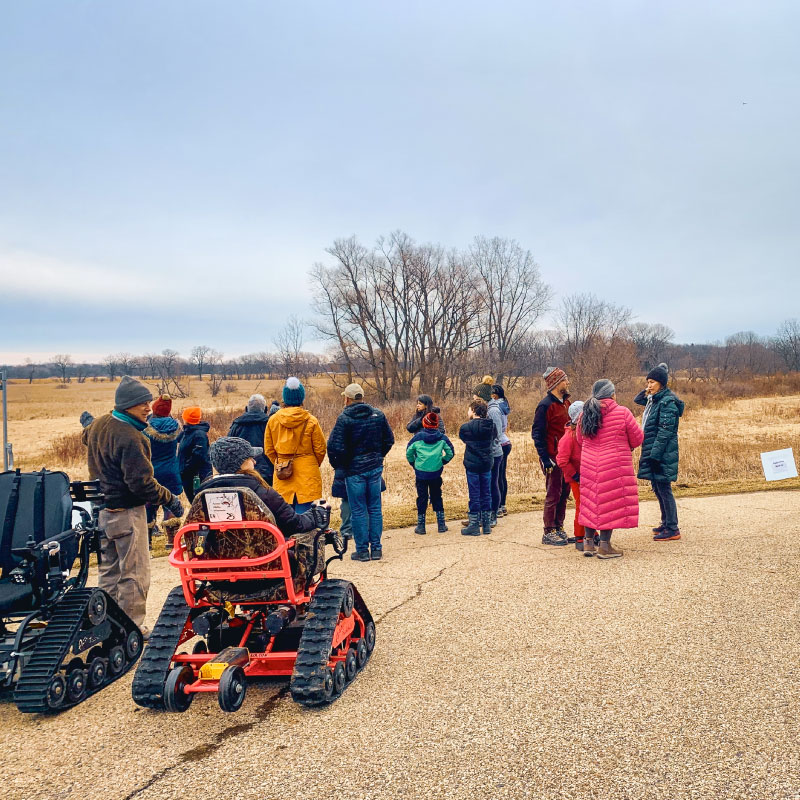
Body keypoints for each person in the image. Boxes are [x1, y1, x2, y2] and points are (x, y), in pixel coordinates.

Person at [82, 376, 183, 634]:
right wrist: (170, 498)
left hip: (103, 514)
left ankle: (104, 624)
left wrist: (87, 424)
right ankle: (131, 629)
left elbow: (87, 435)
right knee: (134, 574)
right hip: (127, 513)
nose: (148, 408)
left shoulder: (101, 424)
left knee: (109, 573)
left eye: (148, 402)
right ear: (127, 405)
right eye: (142, 403)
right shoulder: (132, 437)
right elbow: (142, 485)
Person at [202, 436, 328, 536]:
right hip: (265, 563)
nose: (254, 461)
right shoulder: (263, 493)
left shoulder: (202, 498)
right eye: (250, 458)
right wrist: (318, 512)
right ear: (240, 463)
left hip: (214, 565)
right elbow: (295, 525)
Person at [576, 379, 644, 559]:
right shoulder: (622, 412)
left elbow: (579, 439)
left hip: (589, 465)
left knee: (591, 502)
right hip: (614, 465)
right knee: (610, 504)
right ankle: (605, 546)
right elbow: (637, 439)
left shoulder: (585, 414)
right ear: (612, 394)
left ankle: (588, 543)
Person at [327, 383, 395, 562]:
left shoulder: (344, 418)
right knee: (374, 508)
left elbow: (334, 446)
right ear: (361, 397)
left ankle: (362, 550)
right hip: (374, 468)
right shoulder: (377, 415)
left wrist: (341, 465)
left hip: (354, 470)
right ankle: (377, 549)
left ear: (347, 398)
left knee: (358, 510)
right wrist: (378, 457)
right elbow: (389, 440)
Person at [634, 363, 685, 541]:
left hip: (662, 452)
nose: (649, 385)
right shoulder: (654, 399)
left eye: (652, 382)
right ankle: (665, 522)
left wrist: (655, 455)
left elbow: (665, 432)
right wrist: (649, 389)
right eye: (647, 382)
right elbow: (638, 399)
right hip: (653, 449)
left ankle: (672, 528)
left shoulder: (667, 402)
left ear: (662, 383)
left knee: (664, 487)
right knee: (657, 486)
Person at [263, 378, 327, 514]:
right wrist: (311, 464)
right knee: (305, 516)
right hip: (307, 473)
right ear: (301, 398)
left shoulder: (273, 420)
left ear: (284, 398)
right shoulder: (311, 420)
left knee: (285, 515)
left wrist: (279, 462)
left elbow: (268, 449)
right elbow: (320, 449)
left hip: (282, 470)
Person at [531, 366, 572, 546]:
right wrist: (544, 457)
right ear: (556, 383)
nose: (568, 382)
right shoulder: (545, 406)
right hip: (552, 457)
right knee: (553, 493)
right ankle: (548, 531)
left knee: (564, 493)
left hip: (567, 457)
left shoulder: (567, 403)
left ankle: (559, 526)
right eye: (564, 380)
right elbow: (537, 434)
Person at [142, 394, 184, 547]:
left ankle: (147, 542)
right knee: (170, 504)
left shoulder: (146, 428)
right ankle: (172, 541)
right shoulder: (176, 426)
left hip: (152, 472)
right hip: (171, 472)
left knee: (148, 506)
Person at [406, 411, 454, 535]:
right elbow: (450, 453)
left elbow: (409, 452)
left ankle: (421, 526)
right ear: (437, 424)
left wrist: (414, 463)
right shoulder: (442, 438)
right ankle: (441, 524)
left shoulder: (417, 438)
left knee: (422, 497)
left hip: (421, 473)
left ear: (424, 423)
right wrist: (442, 462)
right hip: (436, 473)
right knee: (437, 496)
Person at [458, 399, 495, 536]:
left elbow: (463, 438)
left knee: (474, 494)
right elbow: (494, 438)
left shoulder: (465, 428)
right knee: (486, 493)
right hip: (486, 464)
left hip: (472, 464)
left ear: (473, 411)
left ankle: (474, 524)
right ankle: (486, 525)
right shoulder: (491, 426)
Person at [556, 400, 585, 552]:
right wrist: (575, 476)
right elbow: (561, 460)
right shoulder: (569, 437)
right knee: (582, 506)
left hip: (588, 475)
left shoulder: (584, 433)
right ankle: (580, 535)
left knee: (592, 505)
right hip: (577, 478)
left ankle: (591, 532)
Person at [228, 394, 274, 485]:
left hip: (243, 473)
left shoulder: (237, 425)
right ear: (265, 409)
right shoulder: (270, 424)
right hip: (268, 473)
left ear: (246, 409)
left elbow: (229, 449)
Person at [476, 377, 504, 528]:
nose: (473, 399)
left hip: (494, 452)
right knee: (484, 484)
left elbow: (497, 434)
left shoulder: (493, 411)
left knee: (492, 483)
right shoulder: (486, 409)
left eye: (476, 397)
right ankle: (481, 515)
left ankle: (494, 513)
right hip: (486, 453)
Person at [178, 406, 212, 501]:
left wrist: (185, 468)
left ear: (186, 419)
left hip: (196, 476)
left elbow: (198, 456)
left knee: (198, 502)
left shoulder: (199, 434)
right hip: (188, 475)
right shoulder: (187, 431)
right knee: (194, 502)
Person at [492, 385, 512, 517]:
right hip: (506, 441)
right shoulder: (504, 405)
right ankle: (503, 504)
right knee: (502, 475)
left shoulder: (495, 408)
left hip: (499, 442)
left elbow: (496, 429)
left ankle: (498, 506)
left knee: (497, 476)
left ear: (495, 395)